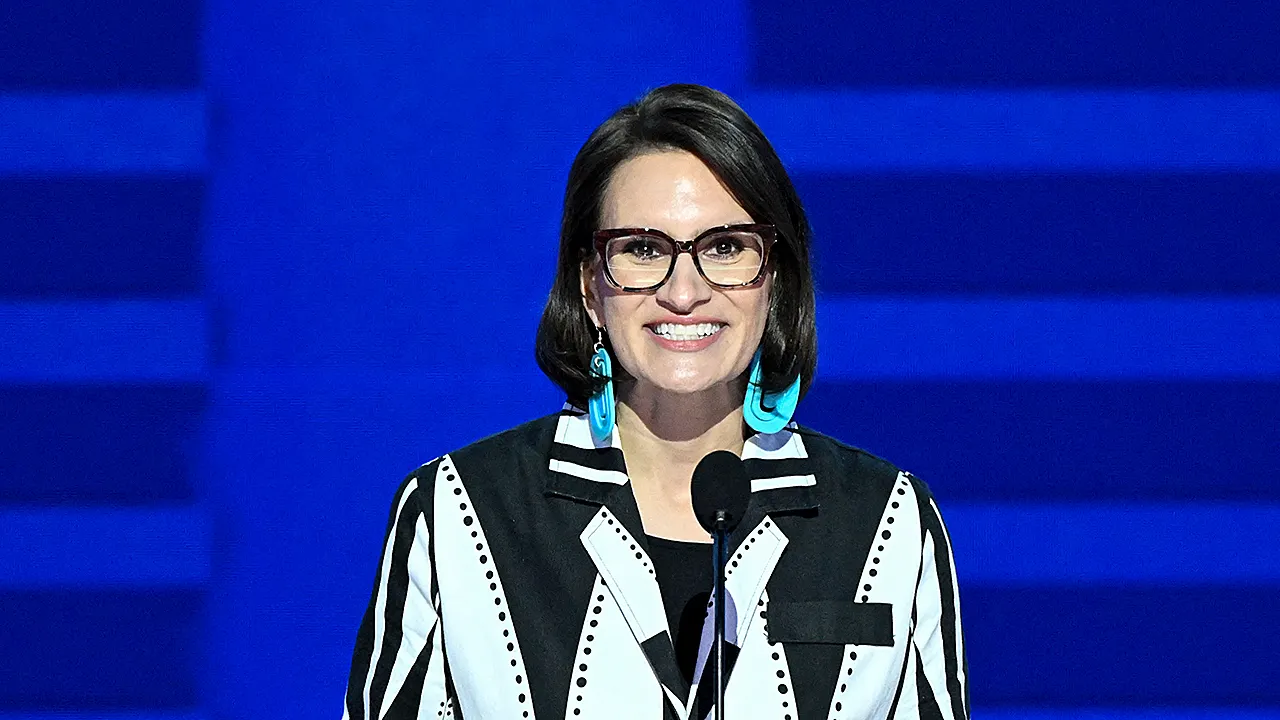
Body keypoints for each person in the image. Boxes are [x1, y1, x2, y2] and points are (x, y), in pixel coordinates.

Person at [343, 83, 968, 720]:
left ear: (774, 279)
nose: (684, 292)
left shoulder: (888, 520)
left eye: (725, 247)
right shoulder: (456, 512)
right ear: (589, 285)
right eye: (644, 250)